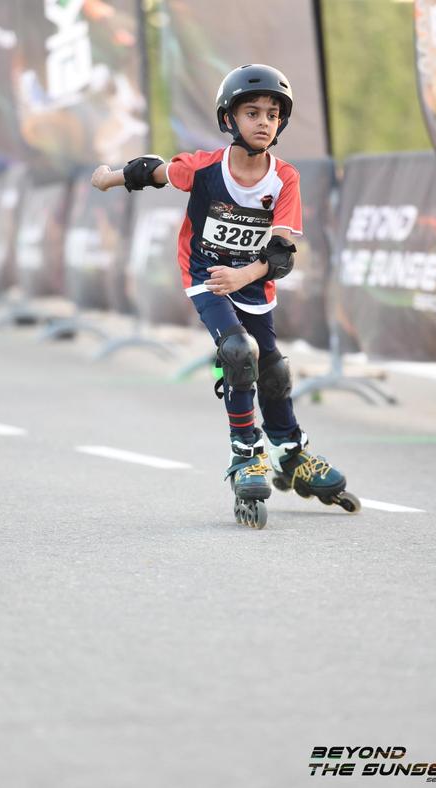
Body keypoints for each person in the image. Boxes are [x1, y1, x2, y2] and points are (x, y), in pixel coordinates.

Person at [91, 64, 359, 527]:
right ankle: (246, 454)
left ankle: (291, 452)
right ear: (228, 119)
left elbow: (281, 254)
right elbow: (154, 171)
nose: (263, 122)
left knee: (273, 367)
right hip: (206, 274)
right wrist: (109, 178)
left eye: (272, 114)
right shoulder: (205, 168)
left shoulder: (284, 179)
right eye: (252, 113)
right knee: (238, 352)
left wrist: (245, 275)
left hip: (253, 280)